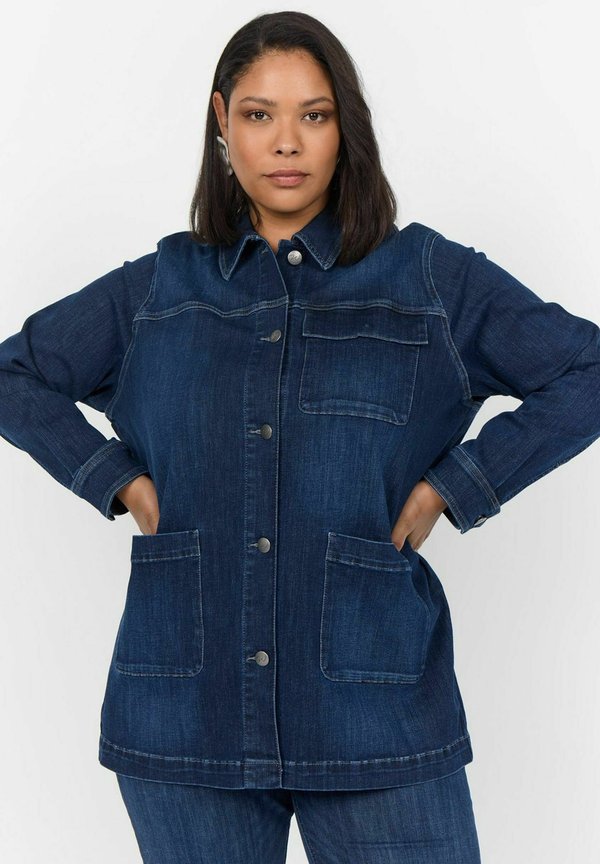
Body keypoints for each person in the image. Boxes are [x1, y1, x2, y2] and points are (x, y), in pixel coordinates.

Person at [1, 9, 600, 863]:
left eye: (314, 115)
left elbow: (586, 370)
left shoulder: (429, 280)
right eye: (259, 114)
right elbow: (14, 374)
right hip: (186, 716)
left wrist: (455, 487)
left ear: (345, 127)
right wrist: (117, 479)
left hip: (374, 710)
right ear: (222, 121)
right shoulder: (159, 289)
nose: (287, 142)